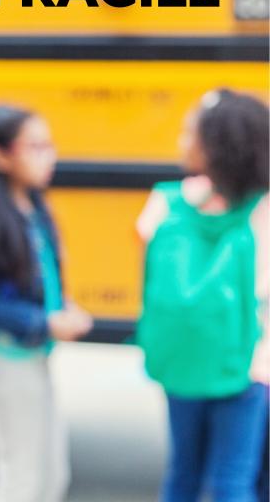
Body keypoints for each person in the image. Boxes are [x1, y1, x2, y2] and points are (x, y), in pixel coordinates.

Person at [137, 89, 269, 502]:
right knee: (235, 479)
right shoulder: (262, 208)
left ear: (213, 147)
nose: (181, 140)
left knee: (182, 475)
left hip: (182, 361)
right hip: (249, 364)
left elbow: (148, 263)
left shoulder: (164, 202)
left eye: (188, 132)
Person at [0, 104, 93, 502]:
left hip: (32, 352)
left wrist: (62, 307)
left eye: (49, 145)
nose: (48, 155)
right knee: (21, 477)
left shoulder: (31, 206)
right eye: (35, 146)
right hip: (5, 356)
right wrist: (47, 323)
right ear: (0, 156)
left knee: (52, 475)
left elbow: (42, 275)